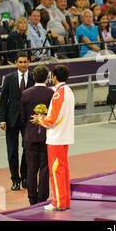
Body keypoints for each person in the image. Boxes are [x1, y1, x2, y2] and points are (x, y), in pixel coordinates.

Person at [31, 65, 75, 211]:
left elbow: (52, 120)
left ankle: (58, 202)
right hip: (65, 136)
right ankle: (65, 200)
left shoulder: (58, 94)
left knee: (56, 170)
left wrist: (40, 119)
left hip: (56, 137)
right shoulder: (68, 91)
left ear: (54, 77)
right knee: (63, 170)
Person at [0, 51, 35, 191]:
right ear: (16, 63)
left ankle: (25, 178)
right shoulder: (9, 78)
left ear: (28, 62)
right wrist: (2, 119)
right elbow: (3, 100)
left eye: (25, 62)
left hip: (29, 119)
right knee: (12, 151)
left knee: (27, 149)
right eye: (20, 62)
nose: (23, 64)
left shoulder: (34, 77)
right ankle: (15, 179)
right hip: (11, 119)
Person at [20, 65, 54, 206]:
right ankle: (42, 197)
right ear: (47, 77)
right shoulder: (51, 93)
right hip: (47, 135)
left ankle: (32, 198)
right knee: (45, 167)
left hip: (30, 135)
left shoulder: (25, 93)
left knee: (31, 168)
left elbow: (23, 116)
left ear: (33, 77)